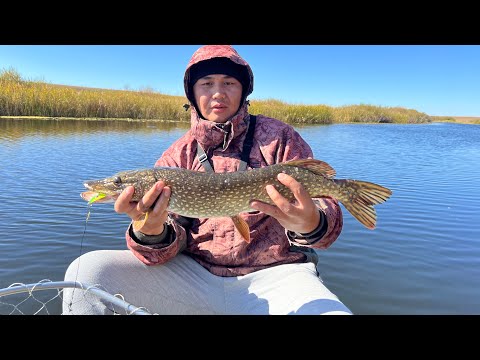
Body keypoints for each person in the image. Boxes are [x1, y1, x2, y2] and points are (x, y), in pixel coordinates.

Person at [62, 45, 352, 315]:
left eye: (229, 82)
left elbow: (326, 221)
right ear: (192, 93)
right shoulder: (177, 156)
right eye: (206, 83)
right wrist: (150, 232)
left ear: (243, 90)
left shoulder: (279, 138)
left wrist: (311, 222)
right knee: (86, 273)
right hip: (194, 277)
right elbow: (164, 251)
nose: (218, 93)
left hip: (278, 275)